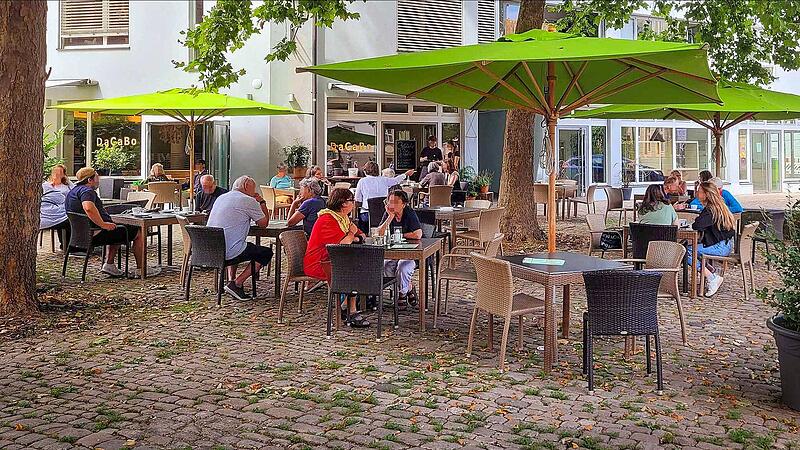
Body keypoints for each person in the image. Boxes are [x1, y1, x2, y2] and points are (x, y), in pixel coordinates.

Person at [65, 167, 153, 278]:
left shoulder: (73, 191)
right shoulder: (87, 191)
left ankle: (109, 265)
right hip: (95, 233)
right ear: (90, 180)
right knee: (138, 232)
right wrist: (103, 224)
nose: (99, 179)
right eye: (97, 176)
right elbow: (88, 208)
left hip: (79, 235)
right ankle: (141, 269)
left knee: (116, 228)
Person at [303, 188, 370, 327]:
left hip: (335, 260)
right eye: (352, 200)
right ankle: (351, 310)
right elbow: (342, 243)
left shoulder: (343, 218)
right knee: (355, 270)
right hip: (320, 262)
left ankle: (347, 305)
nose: (354, 203)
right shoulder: (327, 219)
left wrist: (354, 237)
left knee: (360, 266)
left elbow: (361, 234)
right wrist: (352, 235)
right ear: (343, 203)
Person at [207, 175, 273, 301]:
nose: (254, 192)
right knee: (265, 253)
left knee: (238, 243)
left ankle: (231, 280)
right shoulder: (247, 200)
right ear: (246, 186)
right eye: (253, 189)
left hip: (211, 250)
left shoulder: (221, 197)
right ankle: (237, 283)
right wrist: (262, 202)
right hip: (229, 251)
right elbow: (264, 223)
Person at [690, 182, 737, 296]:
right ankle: (711, 270)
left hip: (719, 247)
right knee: (691, 249)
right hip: (725, 244)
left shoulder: (711, 210)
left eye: (699, 191)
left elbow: (697, 225)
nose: (697, 193)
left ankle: (712, 277)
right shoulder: (719, 206)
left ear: (706, 194)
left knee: (686, 250)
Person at [377, 190, 423, 307]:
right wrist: (390, 217)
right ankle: (408, 288)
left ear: (403, 204)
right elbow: (379, 233)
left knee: (403, 267)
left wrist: (399, 235)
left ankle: (402, 294)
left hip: (410, 253)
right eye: (390, 202)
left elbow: (417, 234)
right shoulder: (388, 213)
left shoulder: (409, 213)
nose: (392, 205)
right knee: (385, 266)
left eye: (396, 202)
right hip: (393, 253)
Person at [354, 161, 413, 234]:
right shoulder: (384, 180)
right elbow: (396, 180)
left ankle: (364, 235)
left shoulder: (362, 181)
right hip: (384, 214)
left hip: (367, 214)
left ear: (365, 171)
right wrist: (406, 174)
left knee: (360, 216)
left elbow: (357, 199)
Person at [40, 164, 73, 248]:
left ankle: (68, 244)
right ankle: (65, 244)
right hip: (50, 211)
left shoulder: (67, 186)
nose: (57, 174)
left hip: (64, 209)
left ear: (64, 174)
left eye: (60, 172)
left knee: (70, 219)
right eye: (55, 171)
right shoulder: (46, 186)